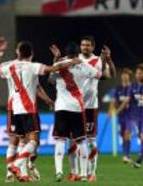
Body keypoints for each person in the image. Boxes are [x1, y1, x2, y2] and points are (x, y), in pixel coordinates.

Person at [0, 40, 76, 182]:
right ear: (31, 54)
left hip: (15, 109)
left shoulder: (10, 66)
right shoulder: (33, 66)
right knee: (33, 142)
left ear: (18, 52)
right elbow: (52, 69)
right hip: (29, 109)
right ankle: (16, 166)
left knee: (21, 141)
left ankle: (22, 173)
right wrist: (71, 61)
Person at [49, 42, 102, 182]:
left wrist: (57, 61)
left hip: (61, 107)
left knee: (60, 140)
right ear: (78, 52)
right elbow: (99, 75)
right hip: (78, 107)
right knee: (81, 141)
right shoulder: (83, 64)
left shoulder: (60, 64)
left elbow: (51, 80)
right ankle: (84, 174)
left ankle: (59, 171)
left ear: (66, 52)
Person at [78, 35, 116, 182]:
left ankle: (91, 172)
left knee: (91, 141)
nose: (85, 47)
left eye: (88, 45)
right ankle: (77, 172)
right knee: (75, 142)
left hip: (90, 107)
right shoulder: (75, 60)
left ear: (93, 47)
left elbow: (111, 74)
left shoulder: (98, 61)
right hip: (74, 106)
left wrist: (109, 60)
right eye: (83, 45)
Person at [108, 68, 133, 164]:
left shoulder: (133, 88)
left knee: (127, 134)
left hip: (131, 114)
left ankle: (126, 156)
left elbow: (127, 101)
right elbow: (113, 101)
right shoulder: (118, 89)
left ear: (129, 76)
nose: (125, 76)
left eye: (127, 74)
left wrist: (117, 111)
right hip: (121, 116)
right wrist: (110, 112)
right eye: (123, 74)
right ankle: (126, 155)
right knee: (123, 136)